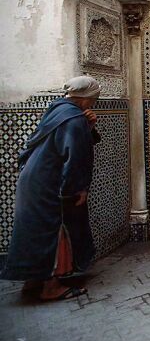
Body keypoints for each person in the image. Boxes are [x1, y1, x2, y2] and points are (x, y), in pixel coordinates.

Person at [1, 76, 101, 301]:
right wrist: (78, 189)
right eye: (94, 99)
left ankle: (32, 280)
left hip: (32, 179)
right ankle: (51, 287)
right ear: (87, 98)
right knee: (54, 230)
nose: (93, 103)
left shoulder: (57, 109)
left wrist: (89, 127)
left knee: (34, 230)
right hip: (48, 182)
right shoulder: (74, 118)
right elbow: (75, 158)